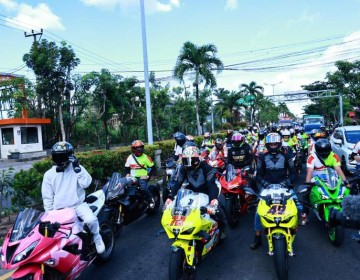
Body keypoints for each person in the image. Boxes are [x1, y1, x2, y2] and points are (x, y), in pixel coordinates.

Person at [41, 141, 105, 254]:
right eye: (57, 156)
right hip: (59, 210)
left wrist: (78, 169)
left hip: (78, 205)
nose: (60, 160)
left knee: (90, 220)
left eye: (63, 156)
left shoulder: (77, 168)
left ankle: (97, 237)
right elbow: (47, 197)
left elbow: (86, 184)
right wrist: (49, 213)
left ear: (70, 156)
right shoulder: (49, 174)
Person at [165, 146, 227, 239]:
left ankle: (222, 229)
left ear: (197, 159)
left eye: (190, 160)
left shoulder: (206, 167)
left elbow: (211, 185)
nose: (188, 164)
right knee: (184, 208)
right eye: (186, 160)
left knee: (216, 209)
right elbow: (178, 183)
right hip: (192, 191)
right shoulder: (184, 168)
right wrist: (170, 197)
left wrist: (213, 200)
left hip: (208, 191)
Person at [250, 133, 296, 250]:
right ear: (267, 144)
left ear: (279, 144)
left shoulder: (287, 156)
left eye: (276, 144)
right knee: (258, 213)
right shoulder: (261, 157)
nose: (274, 146)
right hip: (267, 187)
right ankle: (257, 237)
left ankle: (292, 230)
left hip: (283, 186)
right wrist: (264, 184)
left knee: (297, 208)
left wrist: (287, 182)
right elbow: (258, 175)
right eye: (271, 144)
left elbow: (294, 173)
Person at [301, 139, 349, 225]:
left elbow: (338, 170)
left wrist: (345, 181)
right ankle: (304, 215)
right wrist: (307, 185)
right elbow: (309, 172)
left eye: (326, 151)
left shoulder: (334, 156)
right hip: (316, 180)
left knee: (344, 192)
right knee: (306, 195)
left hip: (331, 178)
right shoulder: (311, 157)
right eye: (321, 151)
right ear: (317, 150)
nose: (324, 153)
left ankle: (346, 212)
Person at [124, 140, 156, 208]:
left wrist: (147, 176)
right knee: (127, 190)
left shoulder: (146, 157)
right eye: (138, 148)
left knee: (143, 188)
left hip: (142, 177)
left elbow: (153, 167)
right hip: (133, 178)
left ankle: (151, 199)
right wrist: (127, 174)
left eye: (141, 147)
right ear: (133, 149)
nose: (140, 149)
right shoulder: (130, 157)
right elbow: (126, 168)